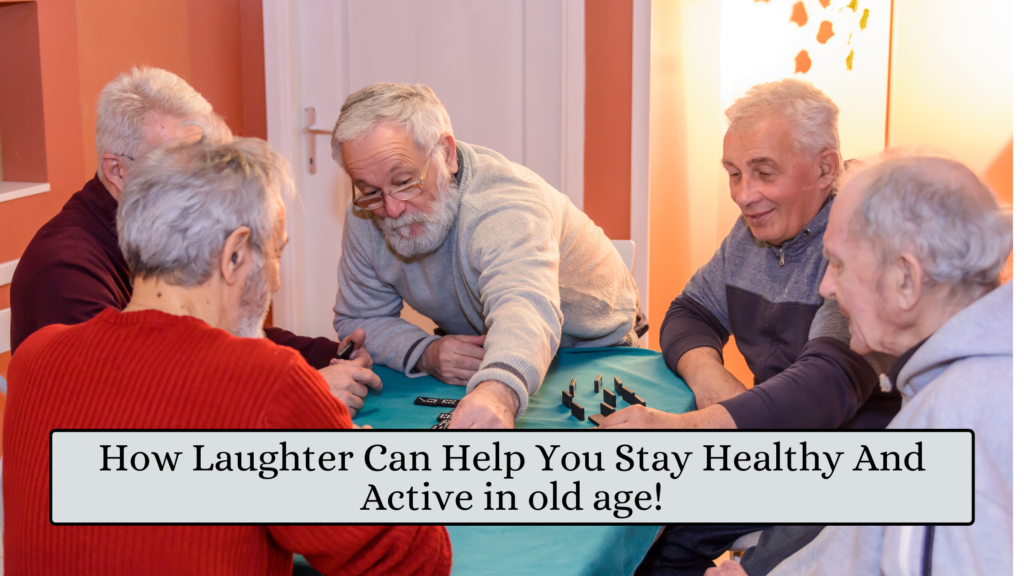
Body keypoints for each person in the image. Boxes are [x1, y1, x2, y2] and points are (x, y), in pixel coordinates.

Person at [3, 131, 452, 576]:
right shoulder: (267, 383)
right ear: (235, 256)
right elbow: (416, 561)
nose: (275, 281)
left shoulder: (34, 358)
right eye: (276, 253)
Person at [605, 79, 897, 576]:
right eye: (734, 174)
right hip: (771, 448)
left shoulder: (860, 239)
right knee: (652, 543)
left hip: (857, 469)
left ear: (826, 168)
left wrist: (686, 426)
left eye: (763, 173)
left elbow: (827, 384)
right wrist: (713, 383)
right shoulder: (750, 234)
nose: (744, 195)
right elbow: (687, 314)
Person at [9, 66, 378, 414]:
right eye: (179, 162)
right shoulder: (65, 267)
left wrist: (322, 355)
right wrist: (304, 392)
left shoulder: (162, 240)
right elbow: (146, 396)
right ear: (116, 170)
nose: (207, 179)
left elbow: (215, 337)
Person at [708, 155, 1012, 576]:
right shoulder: (945, 382)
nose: (825, 286)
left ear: (906, 279)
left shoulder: (956, 417)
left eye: (840, 264)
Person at [330, 82, 644, 429]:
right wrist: (425, 352)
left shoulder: (505, 205)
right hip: (490, 350)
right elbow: (360, 318)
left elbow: (524, 308)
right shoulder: (365, 211)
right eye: (371, 190)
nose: (390, 209)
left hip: (594, 350)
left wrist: (497, 393)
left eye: (404, 181)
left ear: (446, 154)